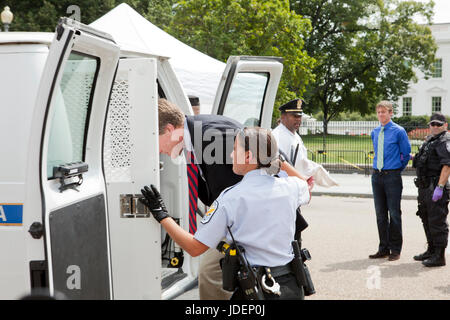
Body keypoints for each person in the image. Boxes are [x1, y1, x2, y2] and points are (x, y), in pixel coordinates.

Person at [156, 98, 311, 299]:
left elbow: (268, 156)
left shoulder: (215, 136)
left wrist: (162, 215)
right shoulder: (196, 136)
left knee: (218, 273)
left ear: (169, 130)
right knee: (214, 273)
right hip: (247, 215)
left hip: (258, 219)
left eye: (154, 140)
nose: (158, 150)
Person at [369, 101, 411, 261]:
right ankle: (383, 248)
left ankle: (395, 249)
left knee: (394, 213)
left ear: (391, 113)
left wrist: (396, 169)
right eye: (378, 112)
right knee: (380, 214)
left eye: (384, 112)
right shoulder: (375, 132)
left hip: (392, 176)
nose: (381, 115)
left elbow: (406, 153)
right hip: (376, 176)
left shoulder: (399, 131)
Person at [272, 99, 338, 188]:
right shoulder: (277, 136)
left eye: (300, 116)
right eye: (294, 116)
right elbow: (281, 166)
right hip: (284, 186)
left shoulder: (293, 135)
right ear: (283, 117)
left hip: (295, 185)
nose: (298, 119)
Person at [412, 112, 449, 267]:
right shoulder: (431, 140)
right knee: (425, 217)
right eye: (432, 124)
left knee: (437, 220)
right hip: (424, 185)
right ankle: (431, 249)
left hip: (435, 186)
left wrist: (440, 187)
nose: (435, 126)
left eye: (438, 124)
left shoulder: (444, 140)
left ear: (445, 125)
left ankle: (439, 256)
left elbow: (447, 165)